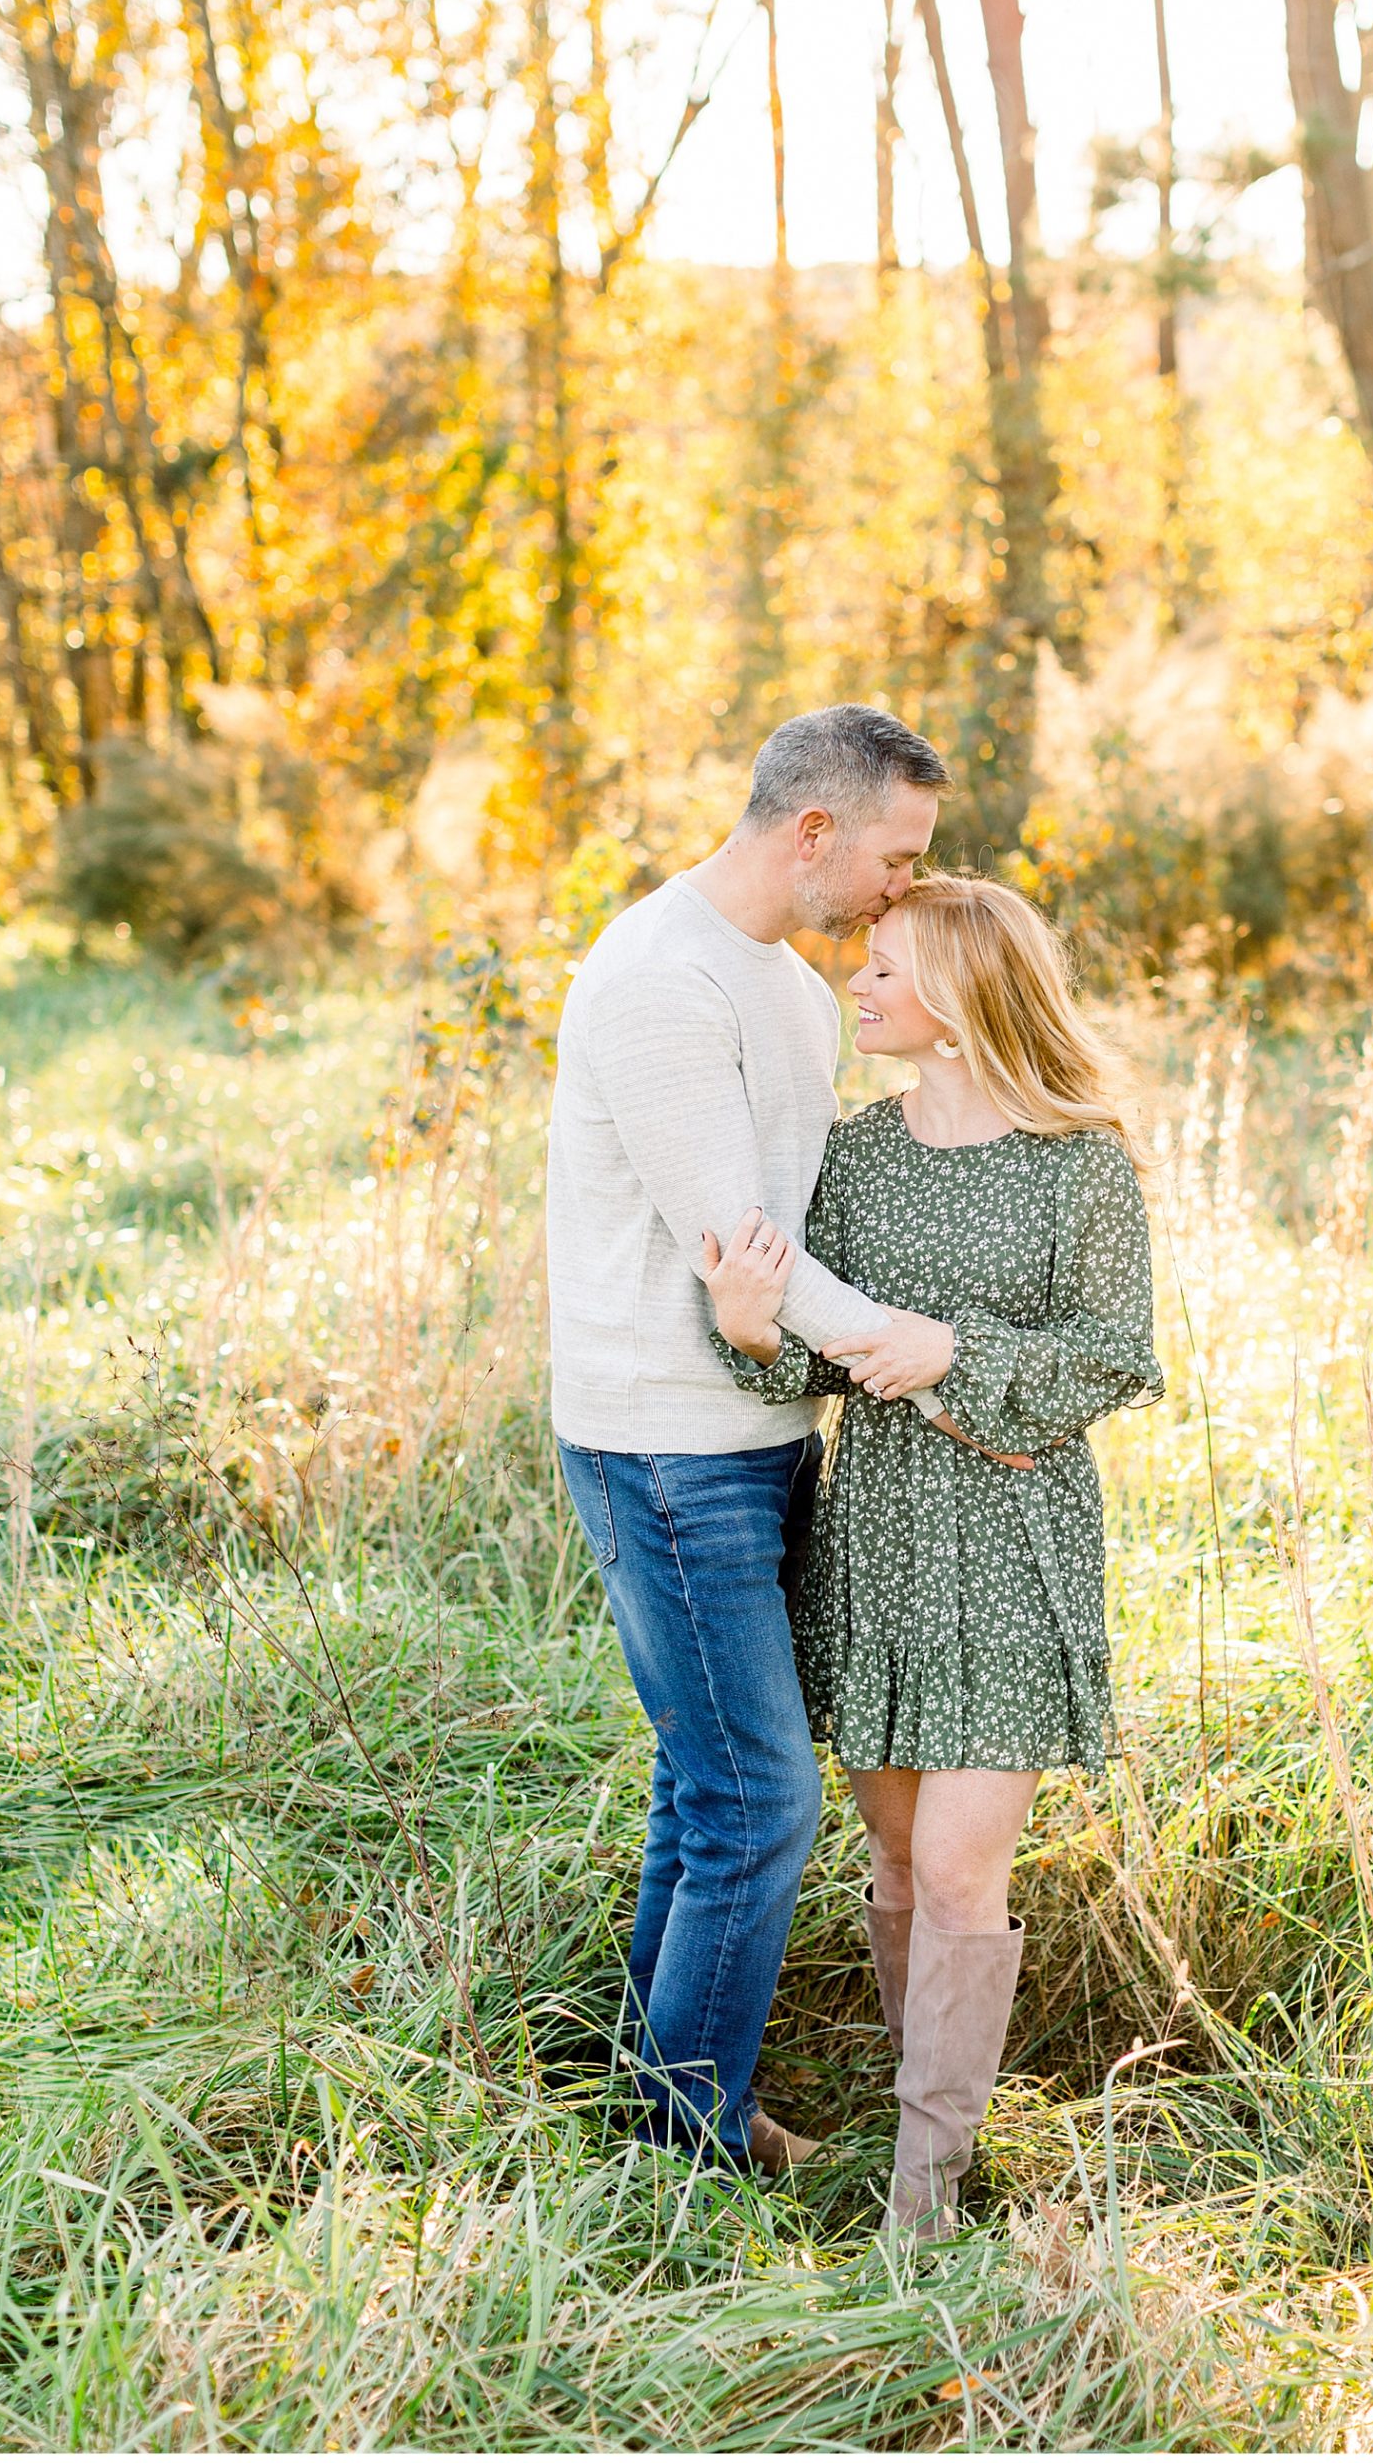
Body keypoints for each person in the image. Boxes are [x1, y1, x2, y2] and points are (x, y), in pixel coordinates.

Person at [701, 872, 1165, 2236]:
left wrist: (953, 1353)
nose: (858, 986)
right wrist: (744, 1326)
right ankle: (926, 2101)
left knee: (963, 1870)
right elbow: (806, 1356)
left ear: (961, 993)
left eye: (886, 968)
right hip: (883, 1531)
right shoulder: (857, 1154)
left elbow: (1114, 1358)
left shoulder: (1078, 1160)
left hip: (1015, 1543)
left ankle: (927, 2193)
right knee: (898, 1864)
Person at [545, 704, 962, 2174]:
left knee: (706, 1780)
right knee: (758, 1792)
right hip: (662, 1440)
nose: (904, 886)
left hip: (763, 1423)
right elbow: (750, 1254)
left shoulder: (785, 986)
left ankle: (658, 2092)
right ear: (813, 833)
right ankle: (692, 2144)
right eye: (898, 856)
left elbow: (799, 1227)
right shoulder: (661, 979)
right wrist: (914, 1358)